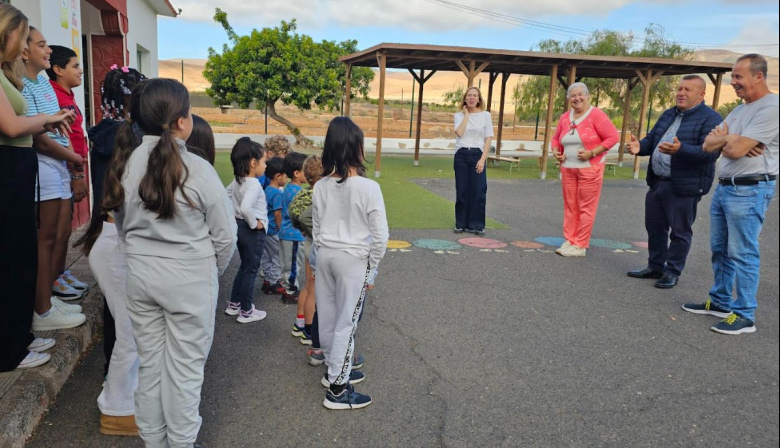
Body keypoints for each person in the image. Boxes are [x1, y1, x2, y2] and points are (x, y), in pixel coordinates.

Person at [107, 78, 236, 446]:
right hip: (190, 281)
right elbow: (225, 238)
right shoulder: (197, 168)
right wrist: (210, 272)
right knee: (184, 372)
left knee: (151, 368)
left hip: (142, 278)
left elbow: (121, 226)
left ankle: (154, 441)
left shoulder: (126, 162)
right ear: (181, 121)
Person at [0, 4, 74, 372]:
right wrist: (48, 119)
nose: (34, 46)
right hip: (14, 166)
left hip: (20, 165)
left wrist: (47, 122)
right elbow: (13, 127)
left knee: (22, 251)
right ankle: (13, 344)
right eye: (26, 35)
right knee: (17, 253)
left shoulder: (10, 76)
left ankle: (20, 335)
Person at [683, 54, 778, 335]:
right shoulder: (739, 110)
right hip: (726, 186)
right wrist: (729, 138)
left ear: (758, 76)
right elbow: (707, 144)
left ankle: (744, 313)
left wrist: (728, 140)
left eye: (738, 77)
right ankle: (721, 301)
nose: (733, 82)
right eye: (732, 77)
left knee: (743, 252)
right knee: (720, 250)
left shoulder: (771, 107)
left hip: (750, 189)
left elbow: (733, 151)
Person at [314, 116, 388, 410]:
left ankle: (334, 372)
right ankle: (337, 390)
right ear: (356, 147)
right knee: (346, 321)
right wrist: (372, 269)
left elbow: (318, 229)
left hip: (326, 256)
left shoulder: (320, 185)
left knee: (331, 318)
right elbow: (380, 237)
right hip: (352, 260)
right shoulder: (369, 188)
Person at [626, 75, 722, 289]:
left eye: (687, 89)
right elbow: (652, 140)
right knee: (654, 227)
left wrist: (681, 150)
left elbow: (710, 154)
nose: (681, 93)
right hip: (658, 182)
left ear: (701, 94)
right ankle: (655, 266)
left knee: (680, 231)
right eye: (679, 88)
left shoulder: (711, 119)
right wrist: (639, 147)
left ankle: (672, 271)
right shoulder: (669, 114)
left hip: (684, 186)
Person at [22, 27, 87, 332]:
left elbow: (62, 130)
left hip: (60, 161)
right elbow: (39, 135)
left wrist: (73, 160)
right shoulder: (23, 84)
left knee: (59, 234)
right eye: (41, 45)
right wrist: (74, 160)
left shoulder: (44, 83)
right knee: (45, 238)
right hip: (45, 162)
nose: (47, 50)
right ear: (24, 51)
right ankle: (42, 310)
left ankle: (46, 299)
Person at [551, 82, 619, 257]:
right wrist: (555, 151)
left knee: (586, 207)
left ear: (587, 96)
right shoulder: (565, 117)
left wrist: (592, 152)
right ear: (568, 99)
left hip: (590, 168)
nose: (577, 98)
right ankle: (569, 240)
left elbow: (612, 137)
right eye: (573, 95)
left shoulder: (596, 115)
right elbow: (556, 138)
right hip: (568, 168)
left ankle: (580, 244)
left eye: (580, 94)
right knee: (570, 206)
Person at [45, 44, 90, 296]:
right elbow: (65, 138)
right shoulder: (53, 96)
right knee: (57, 232)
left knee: (64, 231)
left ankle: (59, 275)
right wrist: (77, 174)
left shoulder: (66, 94)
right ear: (58, 69)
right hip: (63, 169)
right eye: (75, 66)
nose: (81, 71)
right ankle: (51, 283)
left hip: (68, 168)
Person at [224, 137, 269, 323]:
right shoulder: (254, 184)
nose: (265, 166)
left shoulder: (237, 182)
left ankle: (234, 303)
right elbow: (246, 208)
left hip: (240, 229)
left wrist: (235, 216)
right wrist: (255, 224)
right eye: (264, 162)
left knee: (244, 266)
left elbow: (224, 196)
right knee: (251, 269)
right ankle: (246, 311)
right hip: (252, 233)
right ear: (253, 163)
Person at [453, 86, 493, 235]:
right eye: (469, 95)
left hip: (477, 154)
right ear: (465, 98)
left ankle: (476, 224)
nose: (471, 98)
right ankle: (461, 223)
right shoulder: (459, 115)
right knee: (462, 190)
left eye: (474, 96)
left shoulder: (485, 115)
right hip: (461, 155)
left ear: (479, 99)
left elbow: (488, 138)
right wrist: (466, 115)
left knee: (478, 190)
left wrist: (482, 159)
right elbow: (459, 132)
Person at [279, 151, 308, 304]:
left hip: (286, 233)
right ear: (297, 173)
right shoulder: (297, 192)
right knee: (292, 264)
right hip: (293, 234)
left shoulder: (288, 188)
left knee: (289, 263)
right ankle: (291, 291)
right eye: (306, 170)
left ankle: (289, 288)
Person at [261, 157, 288, 295]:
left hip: (266, 230)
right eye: (285, 175)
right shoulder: (277, 193)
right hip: (274, 230)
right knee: (278, 256)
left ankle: (267, 279)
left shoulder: (266, 190)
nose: (287, 179)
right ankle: (274, 282)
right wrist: (281, 230)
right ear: (278, 176)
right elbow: (278, 214)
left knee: (267, 256)